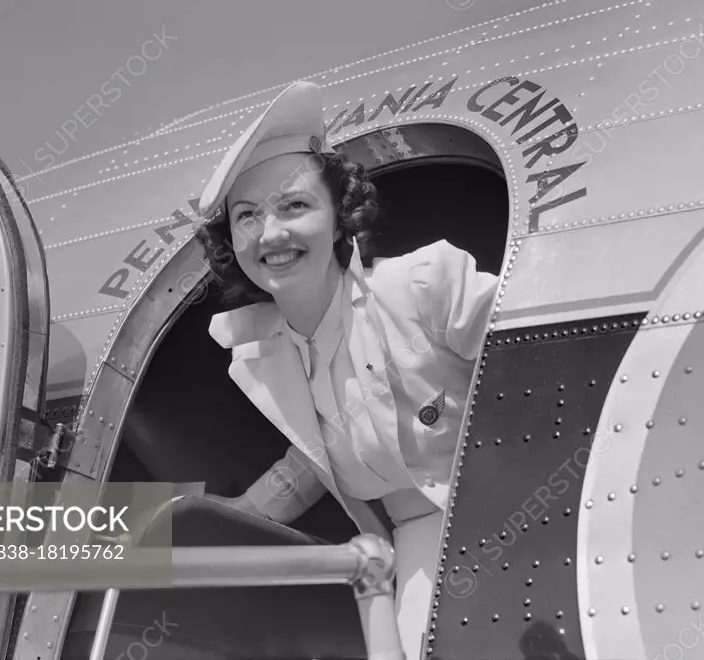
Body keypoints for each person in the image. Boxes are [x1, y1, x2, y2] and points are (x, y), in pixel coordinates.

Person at [194, 80, 498, 658]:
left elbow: (539, 351)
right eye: (248, 216)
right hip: (416, 551)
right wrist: (193, 526)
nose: (272, 233)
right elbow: (314, 457)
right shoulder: (266, 357)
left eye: (295, 205)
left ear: (339, 219)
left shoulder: (423, 285)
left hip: (515, 511)